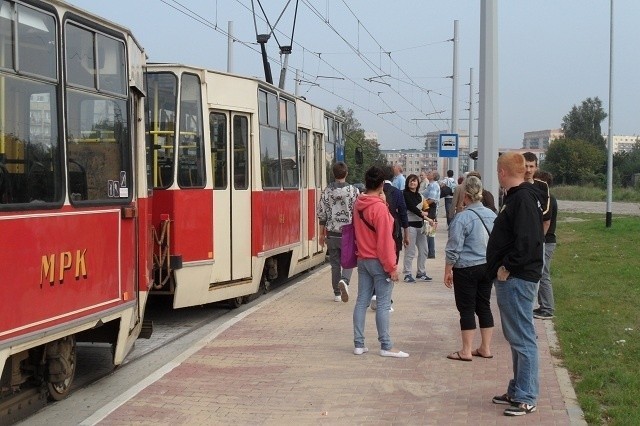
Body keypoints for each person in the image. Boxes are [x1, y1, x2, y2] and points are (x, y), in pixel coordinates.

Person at [486, 152, 544, 416]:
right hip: (515, 277)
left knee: (522, 338)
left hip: (517, 278)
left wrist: (506, 267)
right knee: (516, 337)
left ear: (501, 172)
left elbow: (528, 242)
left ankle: (527, 395)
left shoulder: (521, 200)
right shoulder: (519, 198)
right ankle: (518, 389)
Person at [352, 165, 408, 358]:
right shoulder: (379, 209)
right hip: (378, 261)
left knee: (361, 301)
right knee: (383, 304)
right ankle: (386, 345)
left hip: (363, 259)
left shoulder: (359, 203)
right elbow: (385, 241)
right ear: (382, 184)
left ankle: (359, 344)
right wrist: (392, 268)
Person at [443, 176, 497, 361]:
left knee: (466, 308)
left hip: (466, 268)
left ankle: (466, 350)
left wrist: (447, 270)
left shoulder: (462, 218)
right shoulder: (492, 215)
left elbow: (454, 248)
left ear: (465, 196)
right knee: (484, 306)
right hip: (487, 267)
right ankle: (485, 348)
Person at [317, 162, 359, 303]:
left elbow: (322, 214)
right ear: (346, 173)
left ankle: (336, 294)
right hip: (348, 232)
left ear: (333, 174)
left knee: (335, 264)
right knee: (348, 261)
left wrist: (321, 234)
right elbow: (358, 212)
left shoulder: (327, 191)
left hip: (331, 232)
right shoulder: (354, 191)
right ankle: (345, 281)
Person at [533, 170, 558, 320]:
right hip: (546, 240)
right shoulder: (546, 198)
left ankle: (548, 308)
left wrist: (538, 240)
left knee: (543, 274)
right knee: (541, 273)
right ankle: (543, 306)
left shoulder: (549, 200)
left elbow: (546, 222)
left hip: (546, 241)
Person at [402, 174, 434, 282]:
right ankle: (407, 274)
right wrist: (425, 216)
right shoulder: (404, 194)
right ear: (407, 183)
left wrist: (428, 215)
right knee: (410, 252)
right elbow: (412, 208)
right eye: (410, 181)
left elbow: (427, 207)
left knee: (424, 250)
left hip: (420, 226)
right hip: (409, 226)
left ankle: (421, 272)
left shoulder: (420, 196)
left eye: (414, 181)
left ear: (418, 183)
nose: (412, 183)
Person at [523, 152, 551, 234]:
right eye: (526, 166)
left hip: (536, 233)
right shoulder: (514, 185)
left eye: (531, 166)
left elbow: (546, 214)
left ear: (536, 168)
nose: (528, 170)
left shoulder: (543, 186)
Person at [422, 171, 440, 259]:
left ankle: (430, 252)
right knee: (429, 232)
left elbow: (431, 199)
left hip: (430, 209)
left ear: (433, 176)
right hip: (432, 209)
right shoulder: (431, 185)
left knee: (428, 231)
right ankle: (430, 251)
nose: (428, 174)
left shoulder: (433, 185)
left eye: (430, 173)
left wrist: (423, 204)